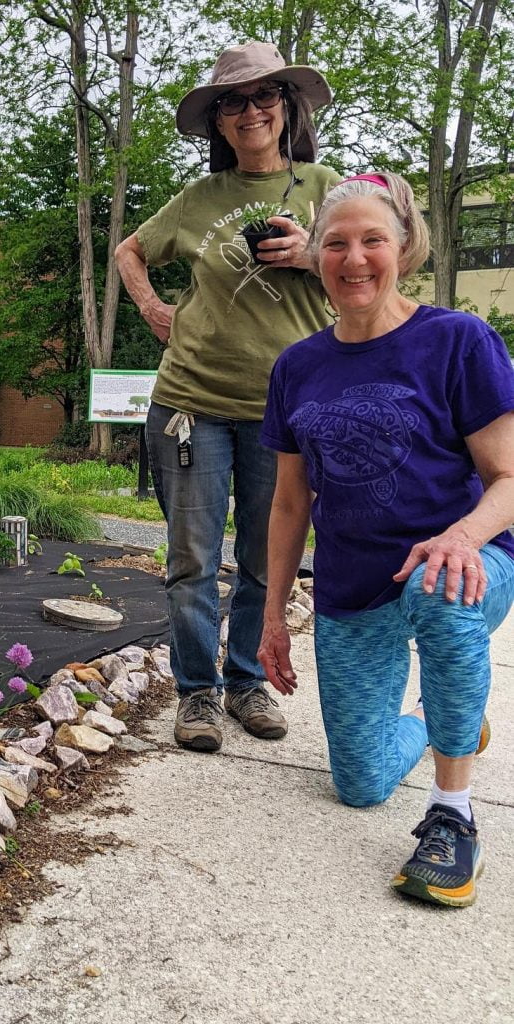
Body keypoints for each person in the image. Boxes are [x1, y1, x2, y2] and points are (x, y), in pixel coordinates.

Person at [259, 171, 514, 907]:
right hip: (353, 585)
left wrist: (460, 538)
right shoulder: (296, 366)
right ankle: (448, 720)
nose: (354, 258)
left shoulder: (456, 340)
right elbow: (286, 504)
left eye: (372, 239)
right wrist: (274, 616)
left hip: (469, 565)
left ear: (402, 248)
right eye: (334, 243)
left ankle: (452, 816)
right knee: (361, 785)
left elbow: (507, 479)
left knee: (439, 585)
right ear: (314, 256)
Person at [115, 42, 340, 752]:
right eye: (232, 102)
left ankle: (244, 681)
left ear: (287, 106)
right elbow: (128, 249)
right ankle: (196, 695)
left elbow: (384, 258)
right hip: (191, 401)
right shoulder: (198, 201)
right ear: (217, 121)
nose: (249, 111)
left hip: (286, 413)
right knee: (190, 560)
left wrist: (311, 253)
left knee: (264, 560)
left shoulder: (325, 188)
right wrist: (153, 308)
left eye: (263, 96)